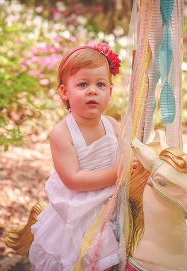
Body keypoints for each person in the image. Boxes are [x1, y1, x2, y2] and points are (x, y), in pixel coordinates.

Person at [29, 43, 122, 271]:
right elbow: (73, 179)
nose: (92, 90)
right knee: (95, 255)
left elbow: (125, 155)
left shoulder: (112, 125)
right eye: (83, 84)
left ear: (110, 92)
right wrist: (115, 173)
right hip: (81, 207)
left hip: (114, 198)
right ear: (65, 92)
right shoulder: (62, 133)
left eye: (100, 84)